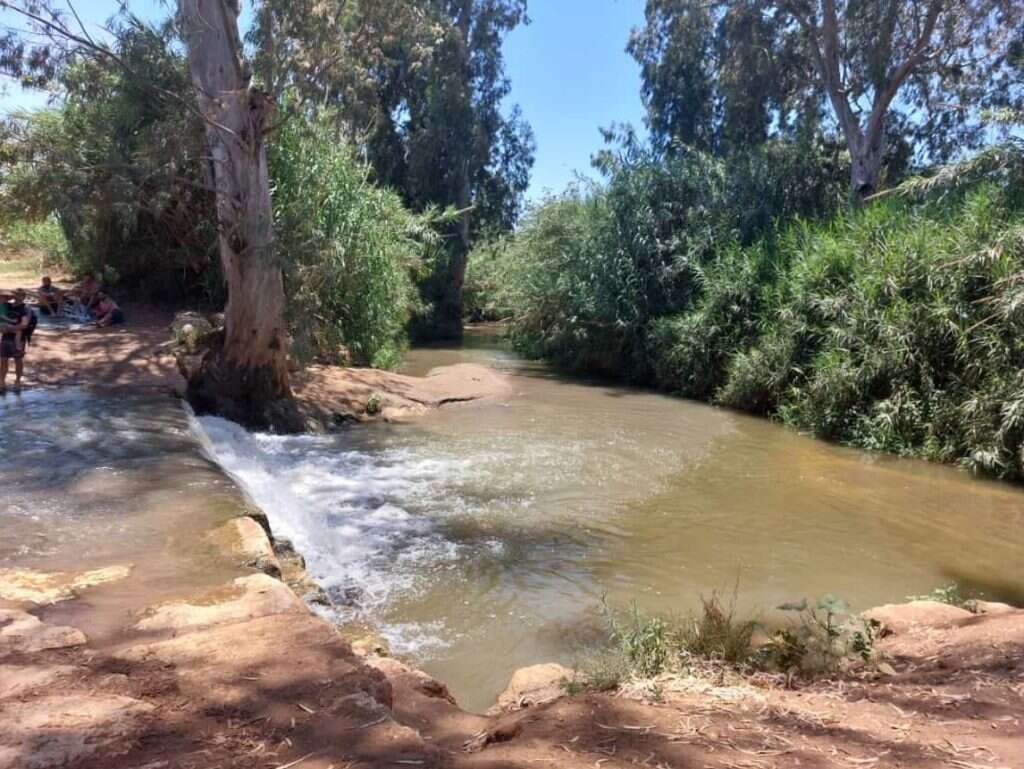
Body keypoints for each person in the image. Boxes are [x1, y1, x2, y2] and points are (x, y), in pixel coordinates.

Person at [1, 289, 31, 394]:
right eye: (15, 294)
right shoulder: (8, 306)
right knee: (3, 360)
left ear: (23, 296)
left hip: (19, 338)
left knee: (18, 360)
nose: (17, 296)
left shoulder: (25, 309)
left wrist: (10, 329)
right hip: (6, 337)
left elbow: (24, 325)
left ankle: (17, 382)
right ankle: (2, 382)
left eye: (19, 295)